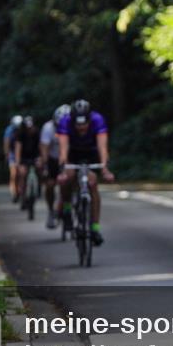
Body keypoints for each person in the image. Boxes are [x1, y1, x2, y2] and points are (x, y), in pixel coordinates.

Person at [56, 99, 115, 245]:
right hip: (73, 152)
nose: (81, 128)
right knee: (67, 178)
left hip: (91, 152)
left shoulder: (98, 120)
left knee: (92, 183)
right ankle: (67, 210)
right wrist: (63, 169)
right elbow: (63, 150)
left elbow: (102, 147)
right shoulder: (65, 122)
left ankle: (95, 228)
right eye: (78, 124)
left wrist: (104, 168)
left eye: (84, 124)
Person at [40, 104, 71, 229]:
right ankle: (51, 210)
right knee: (50, 185)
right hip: (53, 159)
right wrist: (45, 165)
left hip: (70, 158)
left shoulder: (74, 127)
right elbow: (44, 148)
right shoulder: (48, 128)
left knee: (68, 185)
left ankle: (67, 210)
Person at [14, 116, 43, 206]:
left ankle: (38, 188)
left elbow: (41, 146)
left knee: (39, 169)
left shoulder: (37, 133)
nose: (30, 129)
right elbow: (18, 148)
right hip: (24, 156)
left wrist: (41, 158)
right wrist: (18, 162)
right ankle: (23, 194)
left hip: (35, 155)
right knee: (23, 174)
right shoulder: (20, 134)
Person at [3, 115, 22, 202]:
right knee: (14, 174)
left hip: (22, 154)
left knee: (22, 173)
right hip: (12, 154)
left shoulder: (24, 130)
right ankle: (14, 193)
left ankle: (22, 190)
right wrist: (7, 154)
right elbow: (6, 142)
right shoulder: (9, 130)